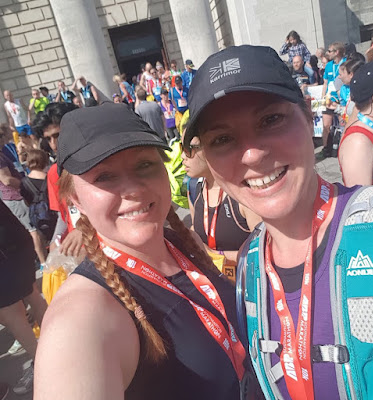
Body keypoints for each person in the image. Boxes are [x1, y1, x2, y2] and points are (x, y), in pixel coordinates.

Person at [183, 44, 373, 400]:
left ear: (307, 114)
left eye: (270, 120)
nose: (252, 154)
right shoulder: (251, 264)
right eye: (222, 139)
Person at [34, 102, 245, 400]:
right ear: (74, 199)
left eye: (144, 165)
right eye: (104, 176)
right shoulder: (79, 319)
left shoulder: (182, 243)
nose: (133, 189)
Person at [181, 127, 261, 268]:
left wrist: (215, 255)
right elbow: (196, 228)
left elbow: (263, 251)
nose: (182, 156)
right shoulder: (193, 188)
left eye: (189, 149)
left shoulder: (243, 192)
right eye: (181, 147)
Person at [0, 199, 47, 395]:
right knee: (31, 296)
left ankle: (45, 366)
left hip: (6, 252)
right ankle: (57, 348)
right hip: (16, 242)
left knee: (11, 314)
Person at [31, 103, 84, 257]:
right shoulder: (54, 173)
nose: (53, 145)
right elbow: (63, 214)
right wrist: (56, 239)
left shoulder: (101, 162)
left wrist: (84, 228)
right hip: (79, 250)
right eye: (48, 139)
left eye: (57, 135)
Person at [0, 124, 47, 265]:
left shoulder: (3, 153)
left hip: (16, 196)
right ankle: (44, 263)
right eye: (2, 136)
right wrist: (27, 185)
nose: (4, 139)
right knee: (34, 230)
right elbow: (6, 180)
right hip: (15, 197)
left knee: (35, 230)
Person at [320, 42, 346, 157]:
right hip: (329, 99)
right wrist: (323, 97)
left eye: (330, 51)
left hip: (341, 98)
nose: (327, 53)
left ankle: (344, 147)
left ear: (337, 52)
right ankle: (325, 148)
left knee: (343, 124)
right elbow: (325, 83)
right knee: (326, 125)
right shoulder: (329, 65)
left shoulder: (345, 63)